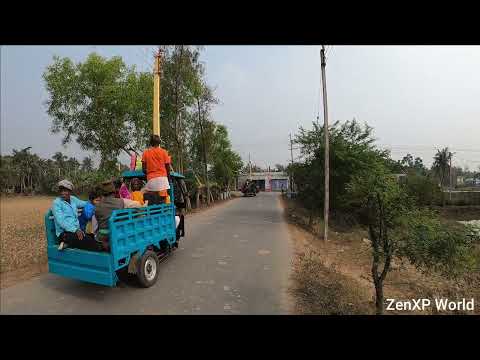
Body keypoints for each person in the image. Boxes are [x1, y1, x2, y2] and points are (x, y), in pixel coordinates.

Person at [52, 180, 101, 252]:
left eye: (65, 191)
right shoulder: (56, 203)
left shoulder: (73, 199)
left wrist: (94, 201)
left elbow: (84, 203)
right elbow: (61, 221)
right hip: (65, 233)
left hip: (77, 231)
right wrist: (75, 230)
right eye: (61, 191)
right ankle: (66, 242)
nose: (63, 193)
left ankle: (68, 244)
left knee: (92, 237)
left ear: (70, 191)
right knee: (91, 243)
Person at [95, 180, 141, 251]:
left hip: (102, 238)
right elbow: (138, 205)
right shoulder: (121, 202)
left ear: (102, 193)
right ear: (114, 192)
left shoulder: (97, 206)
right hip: (117, 236)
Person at [142, 135, 171, 204]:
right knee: (163, 200)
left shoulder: (146, 152)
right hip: (163, 180)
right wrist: (168, 179)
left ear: (150, 143)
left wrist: (149, 174)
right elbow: (168, 167)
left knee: (152, 200)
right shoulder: (164, 152)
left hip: (151, 180)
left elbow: (143, 169)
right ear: (159, 142)